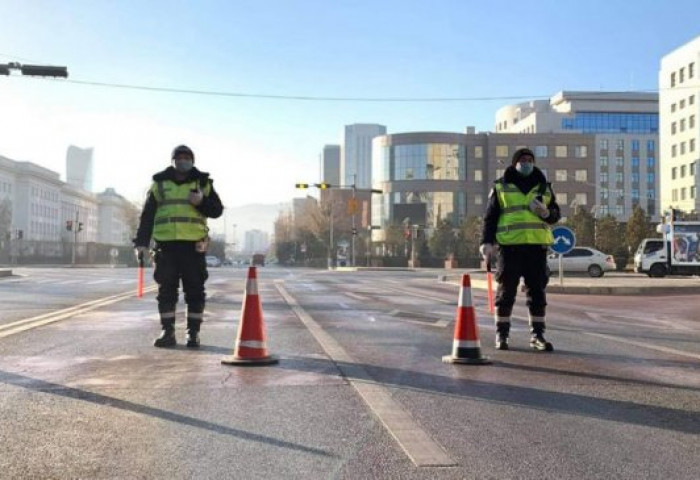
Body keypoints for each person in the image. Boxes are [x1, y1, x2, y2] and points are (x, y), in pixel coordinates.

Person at [134, 145, 224, 348]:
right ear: (172, 160)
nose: (183, 161)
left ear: (193, 160)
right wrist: (141, 243)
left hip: (193, 247)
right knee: (166, 291)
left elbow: (217, 210)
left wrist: (201, 202)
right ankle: (168, 331)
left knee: (195, 291)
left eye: (187, 157)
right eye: (179, 157)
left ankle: (193, 334)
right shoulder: (159, 184)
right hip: (166, 247)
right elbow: (147, 216)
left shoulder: (203, 182)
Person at [479, 148, 561, 351]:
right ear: (515, 163)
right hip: (510, 247)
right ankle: (502, 335)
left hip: (536, 248)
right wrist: (487, 242)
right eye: (522, 160)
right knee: (506, 292)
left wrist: (546, 212)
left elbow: (556, 215)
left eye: (530, 160)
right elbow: (490, 217)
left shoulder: (544, 186)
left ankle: (538, 336)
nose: (526, 163)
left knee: (537, 293)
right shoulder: (501, 187)